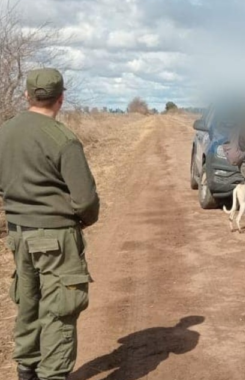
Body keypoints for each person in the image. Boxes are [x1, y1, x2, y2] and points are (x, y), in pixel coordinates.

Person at [0, 68, 100, 380]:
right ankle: (52, 374)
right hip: (56, 236)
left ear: (26, 95)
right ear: (61, 98)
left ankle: (26, 369)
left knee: (29, 303)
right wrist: (82, 221)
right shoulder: (63, 139)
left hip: (18, 234)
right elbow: (85, 200)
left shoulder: (4, 132)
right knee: (60, 310)